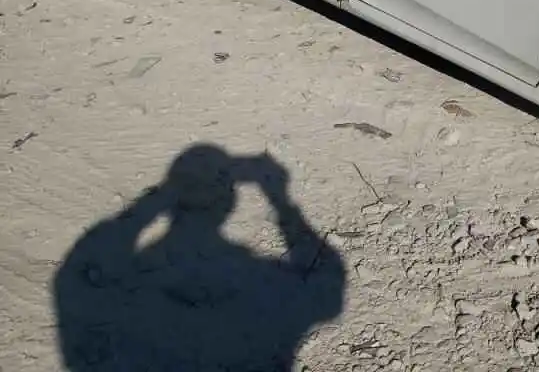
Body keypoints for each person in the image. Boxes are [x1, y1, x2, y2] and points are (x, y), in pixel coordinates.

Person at [54, 145, 345, 372]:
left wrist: (162, 196)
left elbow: (78, 272)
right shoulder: (266, 279)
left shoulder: (136, 274)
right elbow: (329, 290)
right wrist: (278, 198)